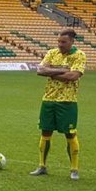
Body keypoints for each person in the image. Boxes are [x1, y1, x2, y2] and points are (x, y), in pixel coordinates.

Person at [30, 27, 85, 180]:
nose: (60, 45)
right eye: (59, 41)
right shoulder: (52, 53)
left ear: (72, 42)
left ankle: (74, 169)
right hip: (48, 99)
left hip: (67, 101)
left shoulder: (79, 55)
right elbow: (40, 71)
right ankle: (42, 166)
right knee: (45, 132)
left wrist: (51, 71)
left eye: (64, 42)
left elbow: (73, 75)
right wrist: (61, 72)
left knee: (70, 133)